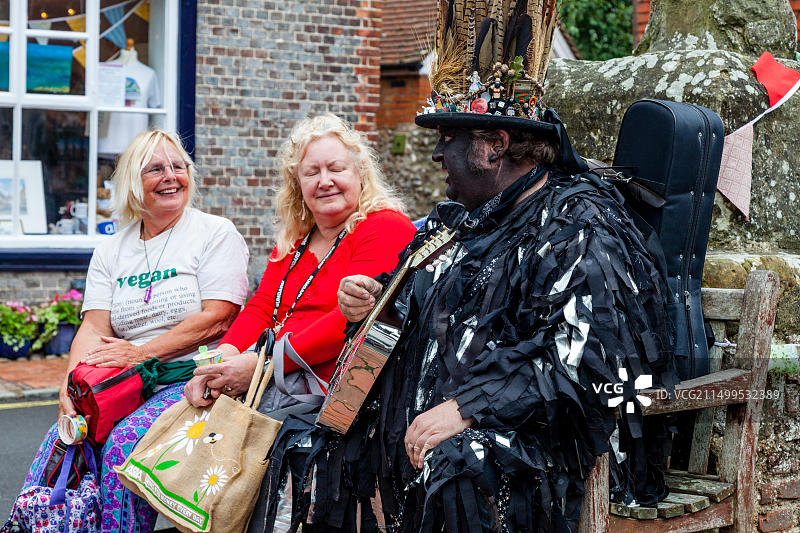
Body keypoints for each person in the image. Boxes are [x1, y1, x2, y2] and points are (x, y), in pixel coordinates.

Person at [259, 4, 678, 532]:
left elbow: (588, 358)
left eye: (448, 140)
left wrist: (470, 407)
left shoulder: (580, 224)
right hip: (431, 431)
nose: (436, 154)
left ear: (495, 146)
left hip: (542, 448)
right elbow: (404, 317)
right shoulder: (453, 223)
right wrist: (369, 302)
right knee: (321, 441)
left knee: (459, 470)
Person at [18, 130, 250, 532]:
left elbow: (219, 316)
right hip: (120, 382)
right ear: (131, 182)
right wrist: (70, 389)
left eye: (179, 167)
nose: (171, 176)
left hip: (192, 380)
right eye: (156, 169)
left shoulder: (214, 232)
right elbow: (93, 325)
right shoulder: (112, 249)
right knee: (62, 444)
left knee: (123, 451)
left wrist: (141, 354)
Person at [184, 113, 416, 416]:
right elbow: (263, 307)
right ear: (298, 184)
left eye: (336, 169)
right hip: (265, 372)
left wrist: (261, 366)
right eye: (311, 173)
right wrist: (222, 358)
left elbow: (349, 322)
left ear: (361, 173)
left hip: (327, 391)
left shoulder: (385, 226)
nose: (325, 181)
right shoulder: (295, 240)